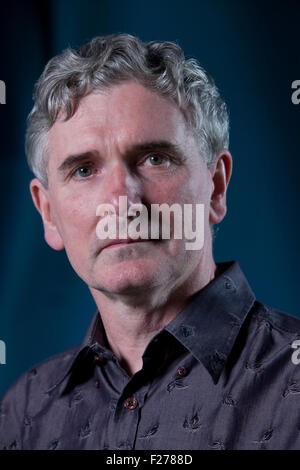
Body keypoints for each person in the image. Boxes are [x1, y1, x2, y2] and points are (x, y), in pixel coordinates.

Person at [0, 34, 299, 451]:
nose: (121, 201)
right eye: (84, 170)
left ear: (216, 188)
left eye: (155, 158)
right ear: (48, 213)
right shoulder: (22, 414)